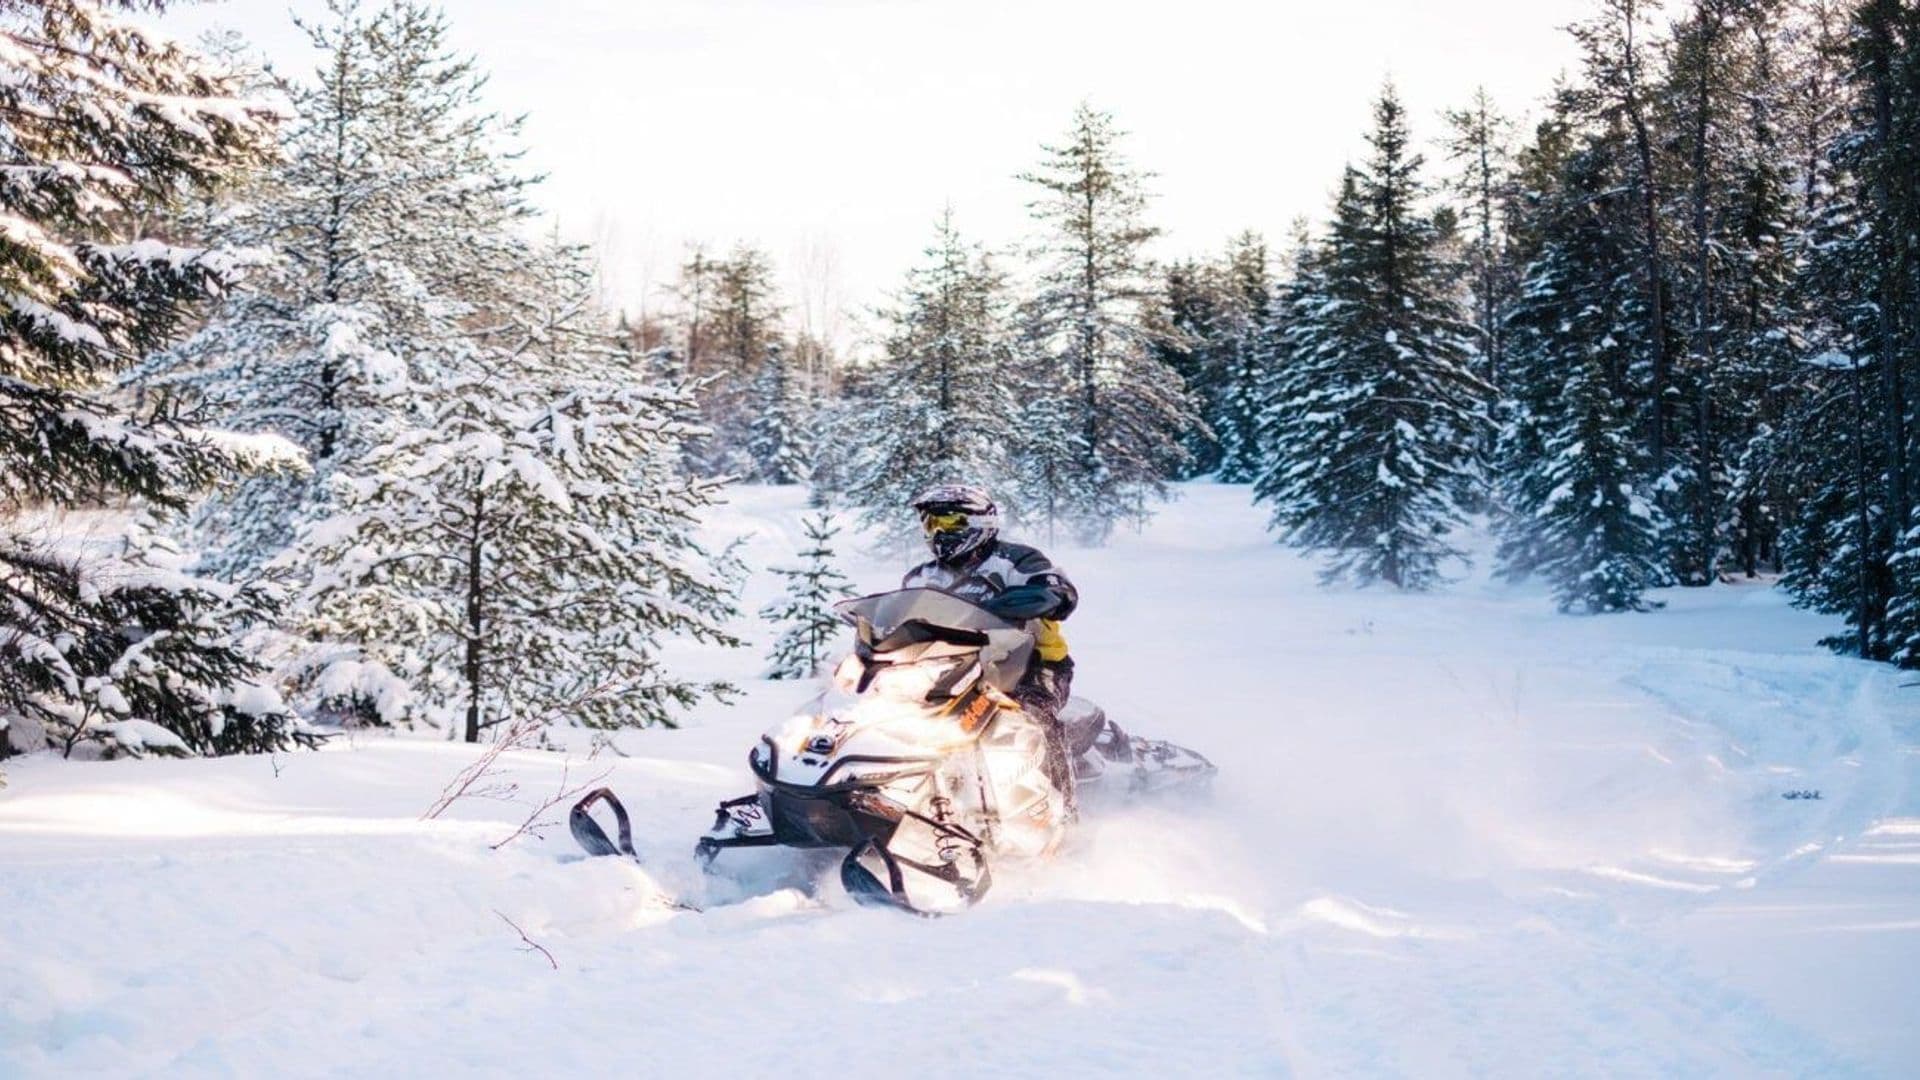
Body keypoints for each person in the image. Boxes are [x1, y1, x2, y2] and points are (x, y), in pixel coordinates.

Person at [902, 484, 1082, 812]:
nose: (939, 532)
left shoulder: (1016, 560)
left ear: (979, 521)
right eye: (931, 523)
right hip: (950, 668)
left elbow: (1058, 588)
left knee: (1035, 718)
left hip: (1029, 665)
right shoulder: (920, 577)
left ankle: (1064, 811)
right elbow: (902, 618)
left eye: (950, 522)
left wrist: (1046, 596)